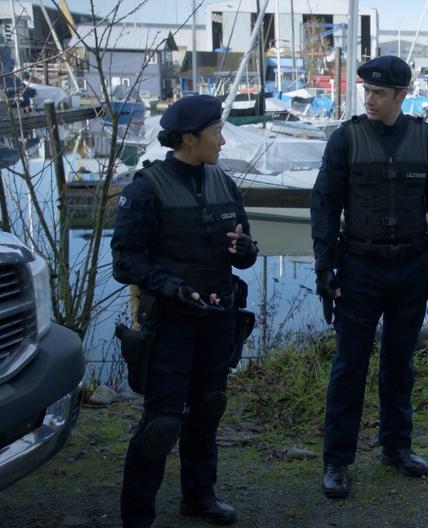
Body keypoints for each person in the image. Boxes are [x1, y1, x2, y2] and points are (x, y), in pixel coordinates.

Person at [310, 55, 428, 499]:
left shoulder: (424, 140)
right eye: (366, 91)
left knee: (400, 364)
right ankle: (337, 460)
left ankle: (397, 447)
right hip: (360, 267)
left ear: (400, 95)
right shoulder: (346, 139)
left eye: (378, 93)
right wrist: (324, 265)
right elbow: (324, 207)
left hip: (412, 267)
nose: (370, 99)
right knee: (349, 367)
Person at [112, 95, 258, 528]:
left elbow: (244, 253)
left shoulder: (223, 182)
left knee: (209, 407)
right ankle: (137, 516)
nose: (222, 141)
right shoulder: (146, 189)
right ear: (190, 139)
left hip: (217, 321)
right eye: (216, 133)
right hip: (170, 324)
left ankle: (199, 497)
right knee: (161, 423)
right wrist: (172, 287)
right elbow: (125, 261)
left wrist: (246, 249)